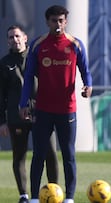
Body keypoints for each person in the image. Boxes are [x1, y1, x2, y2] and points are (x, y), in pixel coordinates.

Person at [18, 5, 92, 203]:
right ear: (47, 21)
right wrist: (23, 103)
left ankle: (69, 198)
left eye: (61, 20)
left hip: (68, 110)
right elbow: (28, 78)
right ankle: (34, 197)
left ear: (66, 21)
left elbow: (86, 71)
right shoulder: (37, 45)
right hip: (43, 109)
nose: (58, 24)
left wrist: (88, 86)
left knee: (68, 154)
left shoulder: (76, 45)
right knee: (39, 154)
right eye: (54, 21)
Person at [0, 25, 59, 203]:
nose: (14, 40)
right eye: (10, 37)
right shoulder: (4, 63)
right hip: (16, 117)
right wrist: (2, 121)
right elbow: (0, 95)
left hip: (42, 114)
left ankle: (54, 191)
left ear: (25, 38)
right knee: (19, 155)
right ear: (7, 41)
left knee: (50, 152)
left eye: (17, 36)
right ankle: (24, 196)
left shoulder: (38, 58)